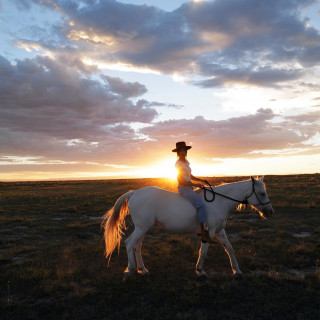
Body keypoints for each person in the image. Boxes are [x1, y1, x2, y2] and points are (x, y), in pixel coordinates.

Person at [172, 141, 214, 243]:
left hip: (189, 187)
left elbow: (189, 176)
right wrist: (195, 185)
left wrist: (201, 180)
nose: (183, 152)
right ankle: (204, 233)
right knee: (201, 205)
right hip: (184, 188)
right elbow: (181, 180)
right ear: (178, 153)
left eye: (184, 150)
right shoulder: (178, 164)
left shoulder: (186, 163)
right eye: (181, 151)